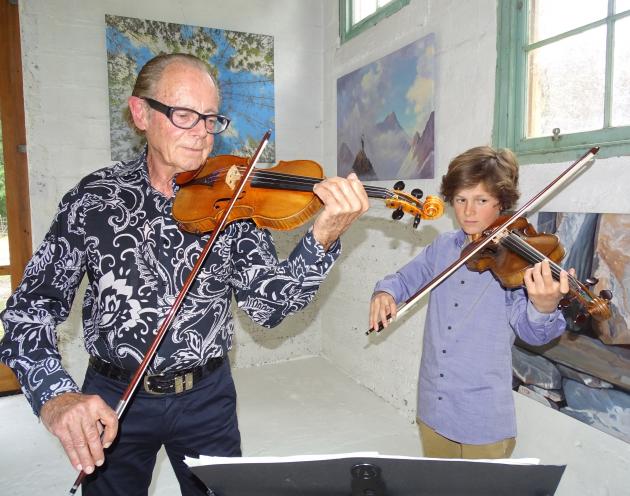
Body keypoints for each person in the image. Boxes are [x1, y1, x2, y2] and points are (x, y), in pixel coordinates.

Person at [0, 53, 369, 495]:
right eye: (183, 115)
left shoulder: (233, 202)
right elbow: (27, 313)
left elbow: (268, 308)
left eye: (211, 118)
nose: (201, 134)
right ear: (141, 113)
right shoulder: (92, 200)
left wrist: (322, 239)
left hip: (206, 398)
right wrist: (56, 396)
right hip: (112, 398)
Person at [369, 146, 570, 459]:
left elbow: (533, 333)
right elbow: (404, 279)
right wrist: (385, 292)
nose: (468, 212)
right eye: (461, 199)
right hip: (433, 406)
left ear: (502, 202)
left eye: (481, 200)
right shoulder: (443, 247)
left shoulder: (517, 264)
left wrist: (543, 307)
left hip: (483, 418)